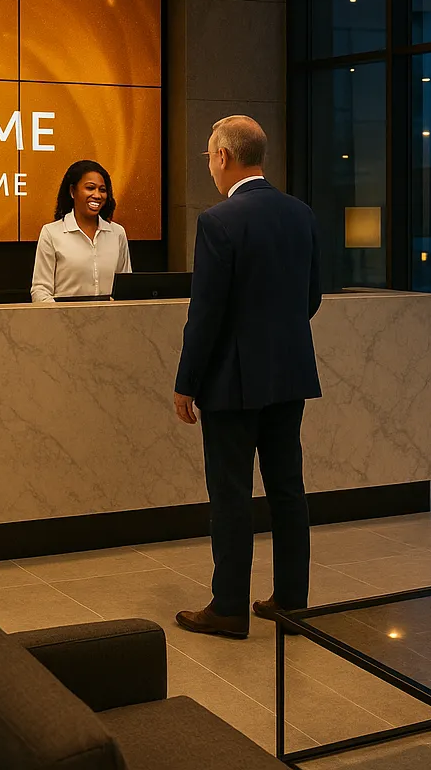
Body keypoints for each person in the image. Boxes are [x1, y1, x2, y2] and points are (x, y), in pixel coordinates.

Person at [171, 116, 322, 641]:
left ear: (224, 156)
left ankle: (230, 607)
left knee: (231, 494)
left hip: (231, 382)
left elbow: (206, 314)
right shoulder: (300, 213)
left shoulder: (219, 221)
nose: (210, 166)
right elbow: (311, 297)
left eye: (209, 156)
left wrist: (186, 381)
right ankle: (293, 603)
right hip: (289, 374)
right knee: (288, 490)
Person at [31, 160, 132, 302]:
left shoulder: (117, 233)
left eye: (102, 190)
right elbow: (40, 291)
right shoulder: (51, 233)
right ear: (72, 191)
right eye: (90, 188)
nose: (97, 195)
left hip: (110, 317)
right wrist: (61, 315)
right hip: (65, 316)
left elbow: (126, 290)